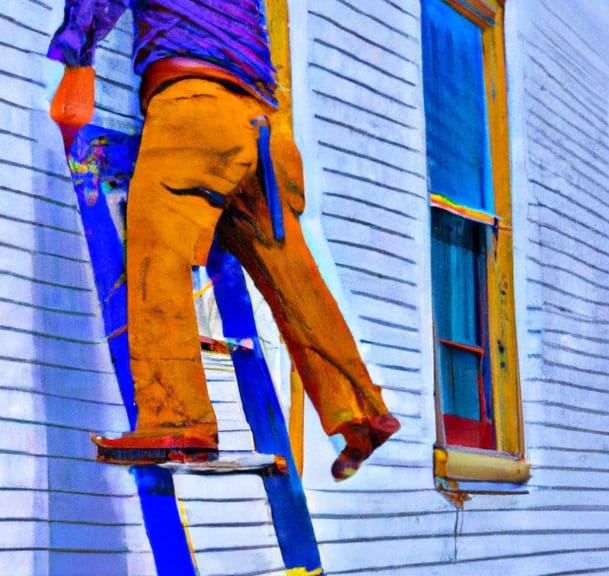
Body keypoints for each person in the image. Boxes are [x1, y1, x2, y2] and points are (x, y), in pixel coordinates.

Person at [48, 0, 399, 481]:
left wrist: (77, 58)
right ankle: (359, 409)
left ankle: (177, 418)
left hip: (194, 106)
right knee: (294, 278)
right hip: (263, 128)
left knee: (158, 247)